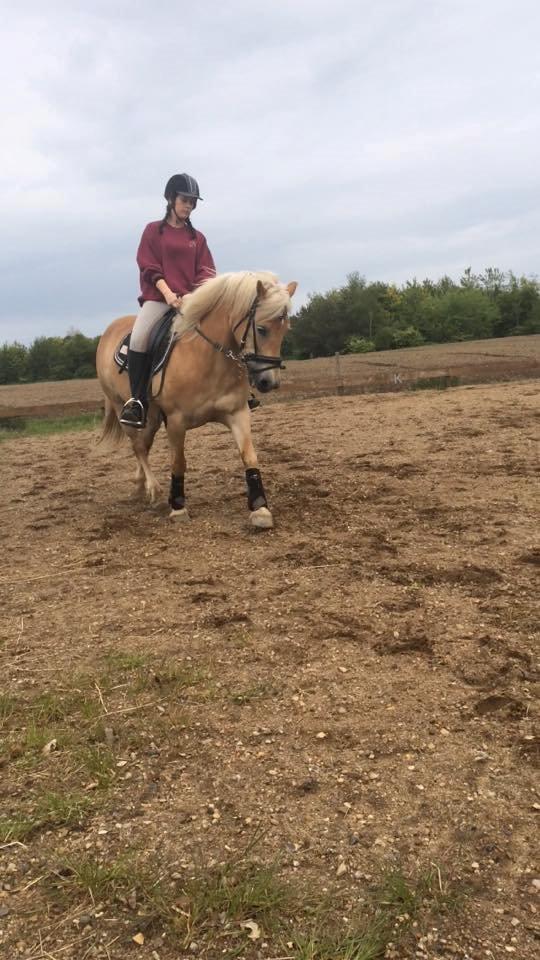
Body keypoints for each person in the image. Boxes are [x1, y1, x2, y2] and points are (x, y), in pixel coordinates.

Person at [119, 173, 216, 428]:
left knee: (222, 330)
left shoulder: (198, 238)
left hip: (191, 301)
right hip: (159, 299)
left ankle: (234, 392)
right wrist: (169, 295)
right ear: (171, 199)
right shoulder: (152, 231)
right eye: (185, 200)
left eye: (193, 202)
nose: (189, 206)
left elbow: (206, 272)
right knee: (139, 338)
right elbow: (148, 266)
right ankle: (137, 402)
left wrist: (192, 297)